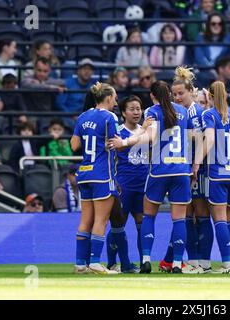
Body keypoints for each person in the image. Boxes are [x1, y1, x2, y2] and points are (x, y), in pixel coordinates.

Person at [109, 81, 191, 274]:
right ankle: (177, 263)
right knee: (179, 220)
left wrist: (125, 142)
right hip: (181, 171)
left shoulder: (153, 112)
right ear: (170, 94)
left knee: (149, 216)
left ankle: (146, 260)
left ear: (152, 96)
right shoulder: (183, 111)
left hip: (159, 171)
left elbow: (150, 138)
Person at [192, 81, 230, 274]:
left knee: (219, 220)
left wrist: (197, 162)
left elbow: (210, 139)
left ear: (211, 97)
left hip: (217, 174)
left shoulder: (209, 115)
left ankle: (225, 264)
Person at [164, 66, 213, 274]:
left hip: (198, 169)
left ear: (191, 91)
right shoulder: (177, 112)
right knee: (188, 215)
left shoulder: (196, 112)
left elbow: (205, 139)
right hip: (183, 168)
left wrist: (196, 164)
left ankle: (203, 261)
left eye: (180, 93)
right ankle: (194, 261)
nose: (177, 97)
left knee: (200, 213)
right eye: (174, 94)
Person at [71, 82, 121, 275]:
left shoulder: (83, 117)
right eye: (115, 98)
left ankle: (80, 264)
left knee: (86, 220)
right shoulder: (109, 117)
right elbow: (117, 143)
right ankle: (95, 262)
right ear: (108, 98)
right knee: (102, 219)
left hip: (84, 173)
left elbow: (74, 145)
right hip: (102, 173)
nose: (116, 101)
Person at [105, 96, 149, 273]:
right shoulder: (118, 132)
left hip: (143, 184)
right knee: (118, 224)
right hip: (124, 185)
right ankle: (116, 263)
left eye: (139, 108)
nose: (137, 112)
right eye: (132, 109)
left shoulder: (147, 131)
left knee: (142, 223)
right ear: (123, 112)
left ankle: (143, 262)